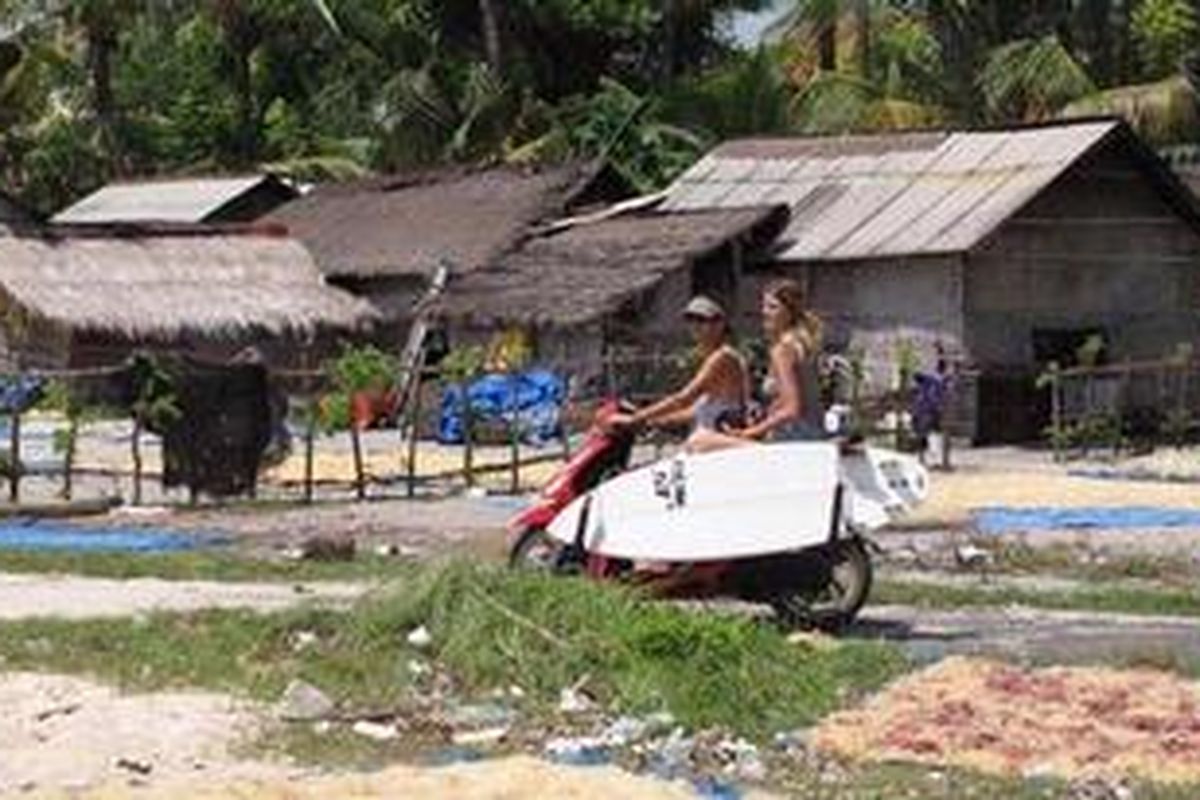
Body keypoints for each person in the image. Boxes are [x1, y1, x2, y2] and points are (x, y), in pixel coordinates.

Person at [691, 279, 825, 450]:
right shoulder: (801, 345)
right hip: (810, 435)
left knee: (698, 440)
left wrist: (751, 432)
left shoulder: (783, 350)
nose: (764, 312)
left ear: (789, 312)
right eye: (764, 306)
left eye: (772, 307)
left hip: (792, 442)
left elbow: (792, 408)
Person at [607, 296, 749, 448]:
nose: (694, 326)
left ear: (719, 324)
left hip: (716, 442)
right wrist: (653, 421)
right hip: (707, 440)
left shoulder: (723, 357)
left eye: (701, 320)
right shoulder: (714, 357)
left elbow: (683, 398)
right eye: (690, 320)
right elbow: (694, 411)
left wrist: (636, 418)